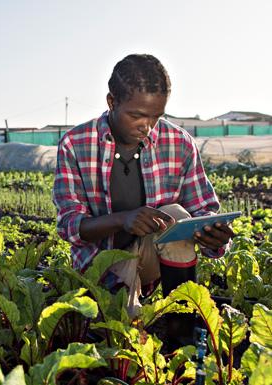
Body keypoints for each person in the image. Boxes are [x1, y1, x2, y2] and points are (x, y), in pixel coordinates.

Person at [53, 54, 233, 330]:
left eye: (155, 117)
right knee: (118, 336)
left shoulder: (179, 143)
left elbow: (203, 209)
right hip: (99, 269)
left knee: (174, 215)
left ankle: (180, 331)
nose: (146, 127)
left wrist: (214, 237)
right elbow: (69, 226)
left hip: (150, 264)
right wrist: (122, 219)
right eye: (136, 115)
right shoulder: (75, 144)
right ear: (112, 102)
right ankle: (127, 312)